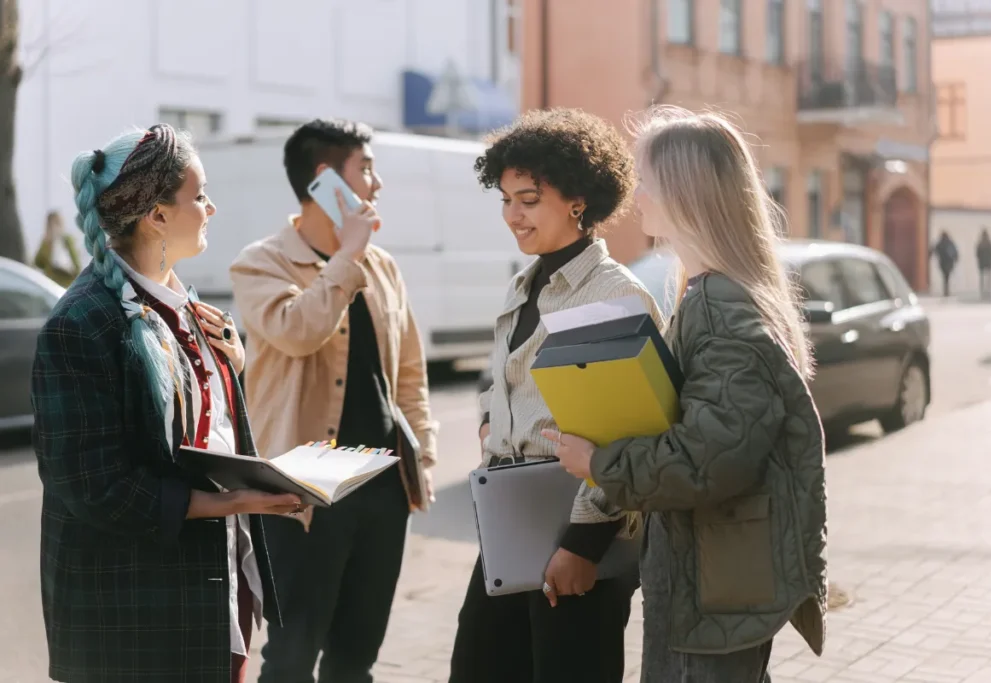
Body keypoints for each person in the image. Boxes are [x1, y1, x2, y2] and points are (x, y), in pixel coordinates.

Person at [549, 107, 828, 683]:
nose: (637, 195)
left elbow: (708, 460)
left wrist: (598, 463)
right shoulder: (711, 294)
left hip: (715, 591)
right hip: (711, 582)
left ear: (684, 192)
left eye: (646, 180)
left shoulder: (723, 308)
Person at [31, 124, 306, 683]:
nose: (211, 207)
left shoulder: (182, 302)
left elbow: (196, 426)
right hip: (132, 612)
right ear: (156, 215)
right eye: (199, 196)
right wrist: (232, 502)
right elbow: (94, 487)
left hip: (209, 587)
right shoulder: (80, 324)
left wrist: (234, 365)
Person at [448, 108, 664, 683]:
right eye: (505, 200)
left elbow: (632, 431)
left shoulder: (613, 294)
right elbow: (502, 379)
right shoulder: (523, 286)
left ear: (577, 201)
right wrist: (492, 422)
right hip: (510, 525)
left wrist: (583, 546)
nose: (512, 216)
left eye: (528, 200)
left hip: (580, 537)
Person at [229, 118, 438, 683]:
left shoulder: (382, 266)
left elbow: (409, 370)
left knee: (355, 660)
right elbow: (299, 331)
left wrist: (423, 454)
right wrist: (347, 256)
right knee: (291, 657)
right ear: (326, 180)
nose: (377, 183)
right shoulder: (260, 263)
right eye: (366, 169)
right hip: (303, 491)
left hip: (383, 484)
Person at [33, 210, 82, 287]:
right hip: (50, 284)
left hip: (66, 284)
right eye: (51, 225)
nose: (54, 227)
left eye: (56, 223)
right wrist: (47, 243)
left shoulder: (67, 240)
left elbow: (77, 264)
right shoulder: (46, 242)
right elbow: (38, 263)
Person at [933, 230, 959, 297]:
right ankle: (946, 290)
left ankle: (946, 290)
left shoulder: (940, 243)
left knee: (945, 276)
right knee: (947, 276)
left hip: (943, 262)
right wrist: (956, 258)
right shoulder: (950, 242)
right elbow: (955, 251)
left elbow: (935, 250)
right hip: (949, 262)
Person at [976, 228, 991, 299]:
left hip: (982, 263)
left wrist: (979, 260)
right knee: (988, 278)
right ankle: (988, 291)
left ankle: (983, 291)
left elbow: (977, 254)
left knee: (982, 278)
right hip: (988, 262)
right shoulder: (989, 243)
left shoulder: (980, 244)